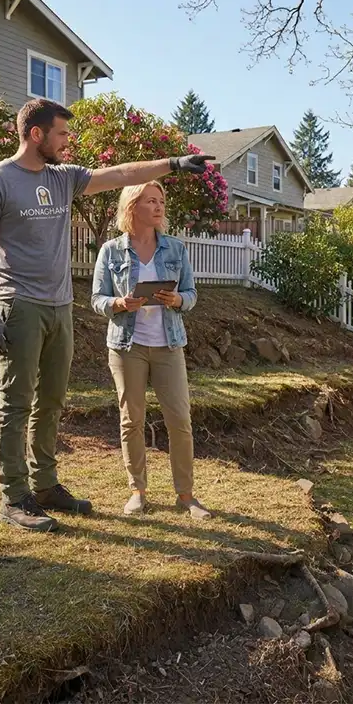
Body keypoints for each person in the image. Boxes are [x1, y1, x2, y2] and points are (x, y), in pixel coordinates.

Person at [0, 98, 213, 533]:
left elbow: (121, 174)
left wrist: (172, 163)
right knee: (16, 402)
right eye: (61, 133)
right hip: (19, 305)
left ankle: (44, 486)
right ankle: (14, 496)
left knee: (51, 401)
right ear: (36, 134)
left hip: (59, 307)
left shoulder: (62, 179)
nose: (67, 142)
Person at [91, 181, 210, 519]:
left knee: (180, 421)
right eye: (151, 201)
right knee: (132, 421)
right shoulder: (111, 251)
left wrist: (178, 299)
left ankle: (186, 496)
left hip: (168, 345)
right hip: (127, 347)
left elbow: (191, 294)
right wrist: (119, 303)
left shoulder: (175, 248)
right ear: (132, 207)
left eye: (161, 202)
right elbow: (96, 299)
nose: (159, 207)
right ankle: (138, 493)